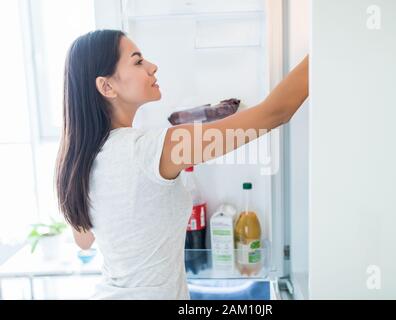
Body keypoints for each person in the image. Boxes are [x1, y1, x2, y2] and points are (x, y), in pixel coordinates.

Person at [55, 29, 308, 299]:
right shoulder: (148, 150)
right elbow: (275, 112)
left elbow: (84, 240)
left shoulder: (79, 160)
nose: (152, 67)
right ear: (107, 86)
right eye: (138, 61)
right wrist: (326, 37)